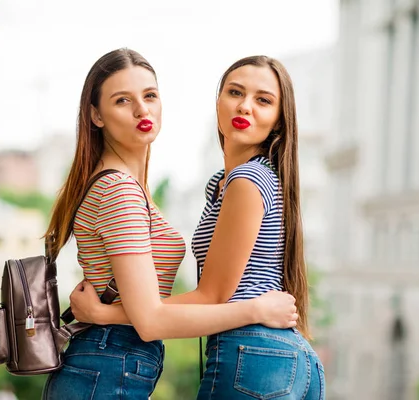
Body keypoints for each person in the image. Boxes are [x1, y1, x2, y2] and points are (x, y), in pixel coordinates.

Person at [41, 48, 299, 400]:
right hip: (107, 362)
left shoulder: (136, 189)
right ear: (95, 115)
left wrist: (106, 315)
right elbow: (150, 319)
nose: (141, 110)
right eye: (122, 101)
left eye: (150, 96)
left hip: (114, 362)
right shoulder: (119, 190)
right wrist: (255, 309)